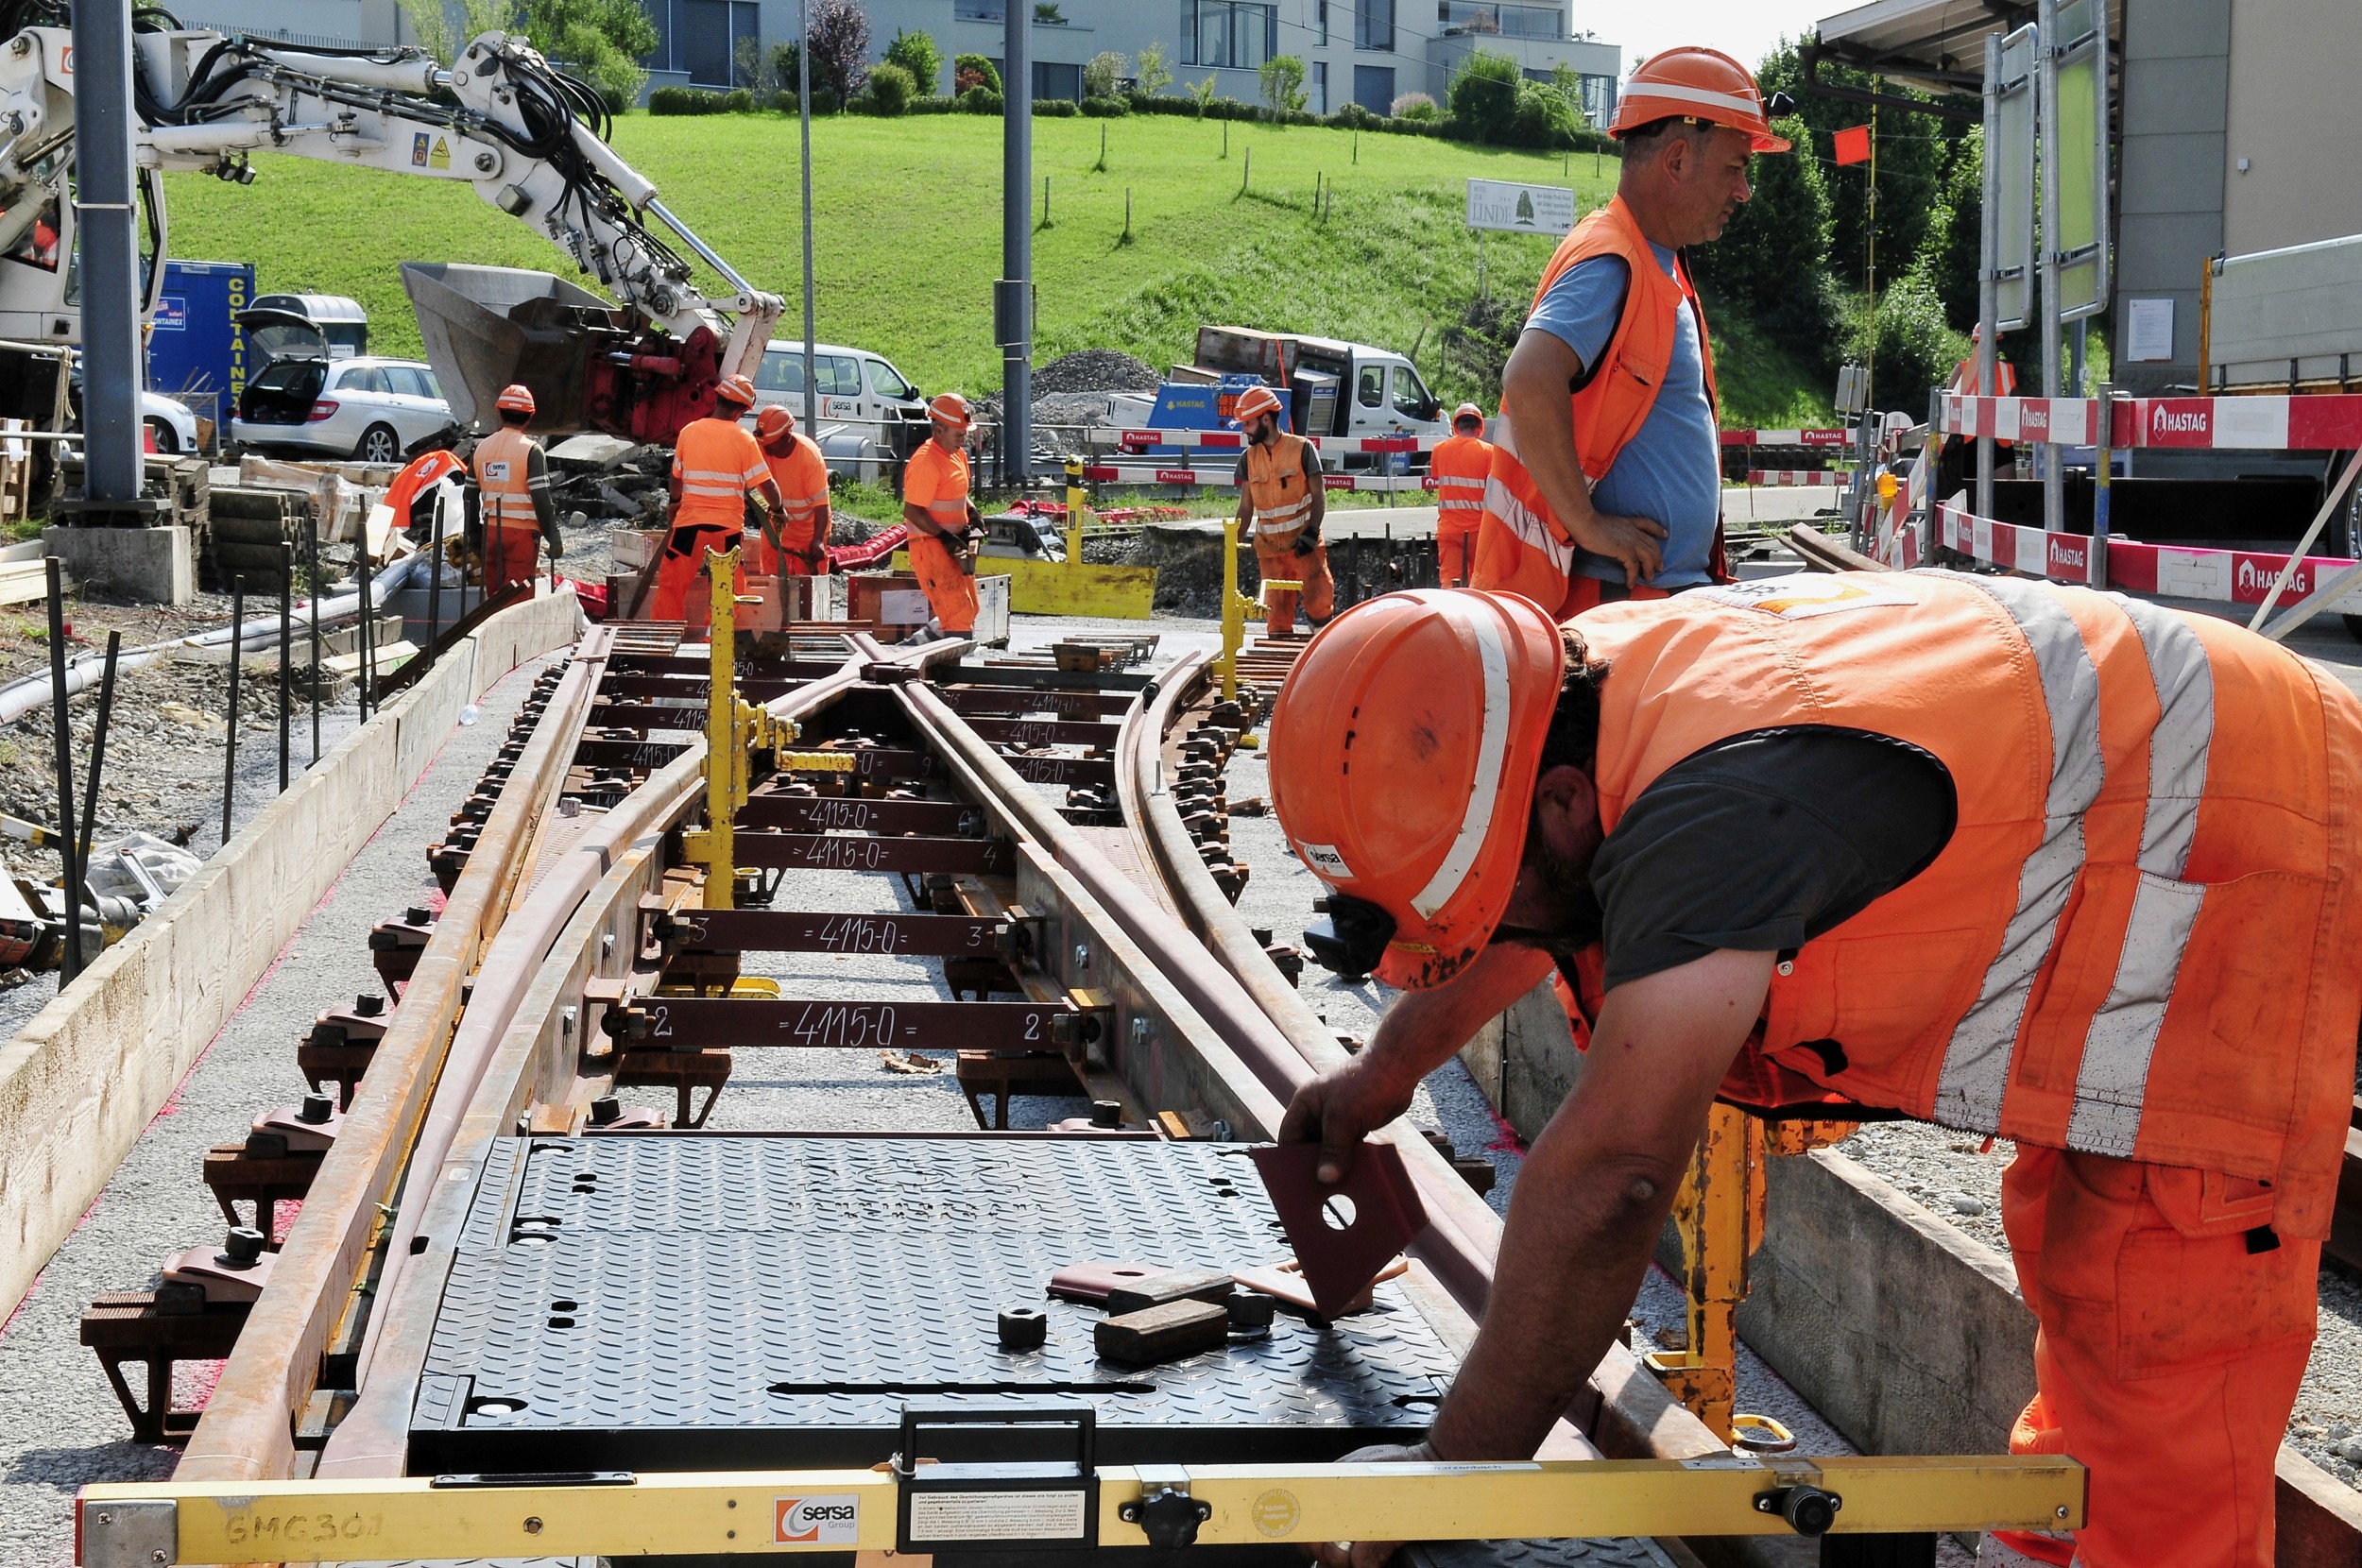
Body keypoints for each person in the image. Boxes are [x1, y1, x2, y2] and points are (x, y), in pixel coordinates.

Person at [1269, 575, 2362, 1568]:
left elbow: (1615, 1179)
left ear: (1557, 803)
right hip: (2168, 798)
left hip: (2253, 841)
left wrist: (1449, 1478)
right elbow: (1537, 899)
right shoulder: (1554, 701)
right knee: (2091, 1258)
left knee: (2162, 1292)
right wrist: (1387, 1067)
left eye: (1481, 913)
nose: (1488, 935)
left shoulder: (1717, 815)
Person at [1473, 46, 1789, 617]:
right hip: (1621, 604)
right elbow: (1528, 376)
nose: (1743, 192)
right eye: (1735, 168)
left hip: (1647, 597)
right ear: (1676, 160)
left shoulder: (1652, 262)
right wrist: (1589, 524)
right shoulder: (1612, 261)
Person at [655, 373, 783, 623]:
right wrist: (778, 508)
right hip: (726, 530)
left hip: (688, 528)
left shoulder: (689, 432)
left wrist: (674, 502)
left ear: (717, 398)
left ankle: (664, 635)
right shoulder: (743, 439)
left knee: (672, 584)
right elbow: (765, 485)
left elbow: (675, 479)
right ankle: (715, 642)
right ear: (742, 410)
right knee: (727, 589)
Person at [1232, 383, 1331, 635]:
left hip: (1304, 547)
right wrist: (1232, 543)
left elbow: (1319, 496)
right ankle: (1281, 664)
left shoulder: (1302, 449)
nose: (1245, 430)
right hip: (1270, 551)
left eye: (1248, 423)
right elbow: (1246, 507)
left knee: (1319, 607)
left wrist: (1311, 532)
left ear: (1266, 418)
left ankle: (1320, 651)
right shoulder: (1248, 458)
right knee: (1276, 618)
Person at [900, 393, 982, 642]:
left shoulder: (956, 454)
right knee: (959, 614)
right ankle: (949, 676)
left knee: (969, 608)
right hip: (931, 549)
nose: (963, 440)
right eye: (959, 434)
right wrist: (944, 536)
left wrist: (972, 512)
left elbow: (954, 492)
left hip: (951, 546)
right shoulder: (926, 462)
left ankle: (918, 645)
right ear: (938, 430)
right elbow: (912, 510)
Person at [468, 383, 563, 592]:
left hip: (491, 532)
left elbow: (469, 497)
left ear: (499, 413)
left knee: (493, 598)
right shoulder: (532, 451)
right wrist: (553, 537)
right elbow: (542, 499)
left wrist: (474, 536)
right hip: (522, 536)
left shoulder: (480, 449)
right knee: (516, 598)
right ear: (530, 416)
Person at [755, 404, 834, 580]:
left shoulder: (809, 457)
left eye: (769, 443)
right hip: (775, 533)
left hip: (807, 535)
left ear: (786, 437)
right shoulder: (761, 449)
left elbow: (822, 505)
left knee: (807, 593)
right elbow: (753, 486)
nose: (764, 448)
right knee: (773, 590)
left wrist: (818, 540)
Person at [1425, 402, 1493, 588]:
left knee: (1451, 586)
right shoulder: (1489, 452)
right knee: (1481, 587)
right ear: (1480, 428)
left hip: (1449, 531)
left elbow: (1436, 476)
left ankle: (1452, 617)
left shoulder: (1439, 449)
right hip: (1479, 533)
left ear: (1455, 427)